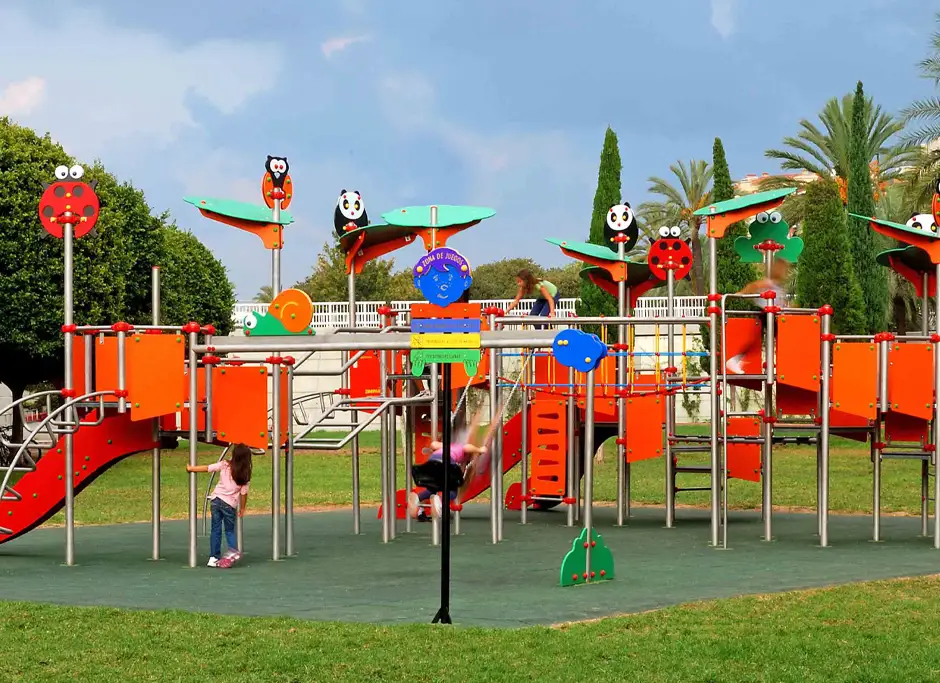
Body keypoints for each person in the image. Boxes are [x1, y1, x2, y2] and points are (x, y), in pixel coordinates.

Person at [407, 407, 496, 521]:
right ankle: (439, 501)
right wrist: (479, 450)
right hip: (446, 462)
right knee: (453, 492)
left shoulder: (446, 446)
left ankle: (418, 499)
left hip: (431, 463)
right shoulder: (460, 448)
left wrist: (434, 448)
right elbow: (467, 447)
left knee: (433, 487)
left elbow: (434, 444)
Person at [186, 443, 252, 567]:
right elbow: (243, 494)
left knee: (215, 529)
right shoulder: (245, 475)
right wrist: (242, 508)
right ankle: (232, 551)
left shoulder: (225, 465)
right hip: (229, 505)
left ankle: (213, 557)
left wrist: (191, 468)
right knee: (229, 530)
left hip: (216, 500)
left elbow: (208, 468)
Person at [725, 259, 790, 375]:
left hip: (773, 315)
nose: (785, 272)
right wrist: (741, 293)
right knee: (764, 340)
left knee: (770, 340)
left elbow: (781, 302)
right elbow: (753, 286)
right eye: (783, 270)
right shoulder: (769, 282)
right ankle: (735, 360)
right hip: (766, 313)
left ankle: (737, 360)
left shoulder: (778, 286)